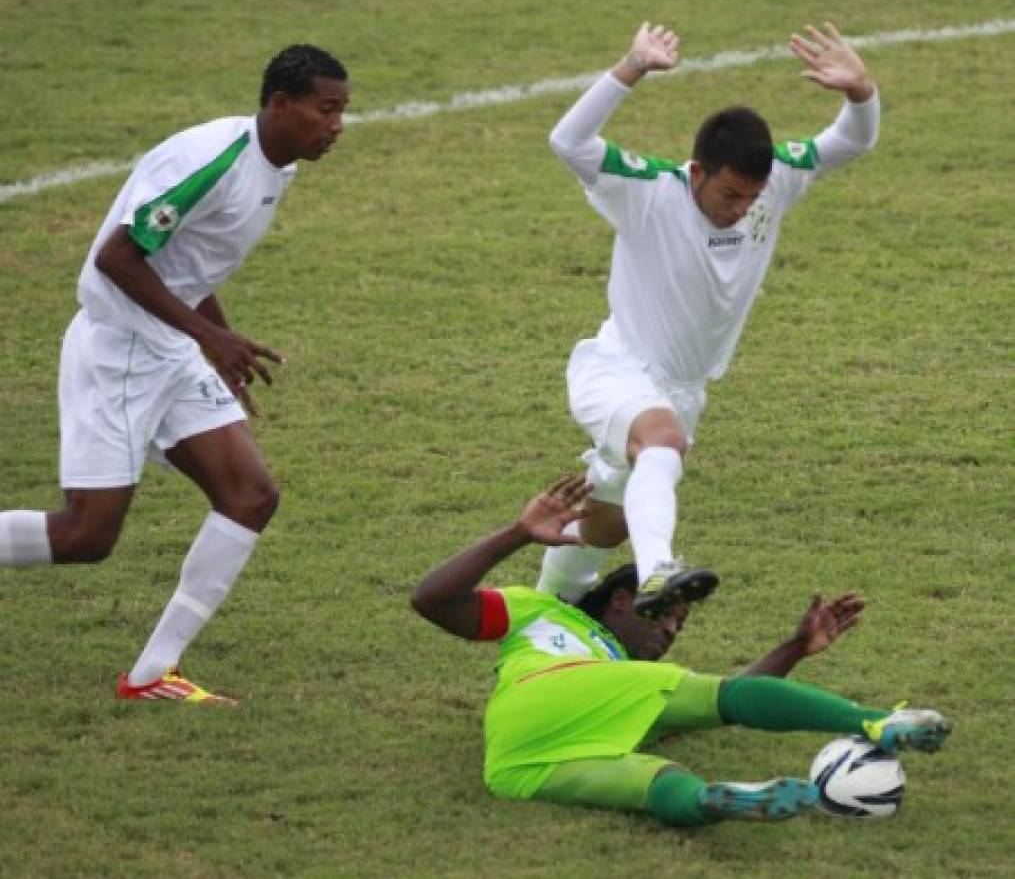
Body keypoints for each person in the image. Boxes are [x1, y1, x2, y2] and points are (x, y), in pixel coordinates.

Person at [0, 44, 350, 704]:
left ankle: (150, 675)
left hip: (169, 348)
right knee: (86, 535)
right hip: (121, 352)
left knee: (249, 495)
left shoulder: (278, 166)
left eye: (341, 112)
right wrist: (210, 335)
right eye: (325, 110)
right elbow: (118, 257)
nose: (336, 126)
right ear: (281, 104)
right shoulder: (213, 162)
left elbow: (191, 262)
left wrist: (214, 343)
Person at [539, 21, 880, 613]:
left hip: (683, 389)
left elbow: (850, 143)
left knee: (606, 523)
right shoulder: (648, 190)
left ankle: (542, 608)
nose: (744, 209)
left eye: (753, 197)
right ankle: (657, 572)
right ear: (697, 173)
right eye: (730, 196)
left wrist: (861, 92)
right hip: (618, 369)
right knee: (662, 442)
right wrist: (631, 67)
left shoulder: (772, 182)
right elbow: (568, 141)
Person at [411, 477, 950, 827]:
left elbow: (713, 707)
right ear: (623, 598)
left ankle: (715, 799)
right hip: (548, 691)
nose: (671, 629)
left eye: (679, 622)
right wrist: (519, 534)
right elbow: (432, 599)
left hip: (515, 759)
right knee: (713, 695)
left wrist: (795, 648)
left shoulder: (620, 683)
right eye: (665, 613)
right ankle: (876, 722)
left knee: (653, 780)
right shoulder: (545, 612)